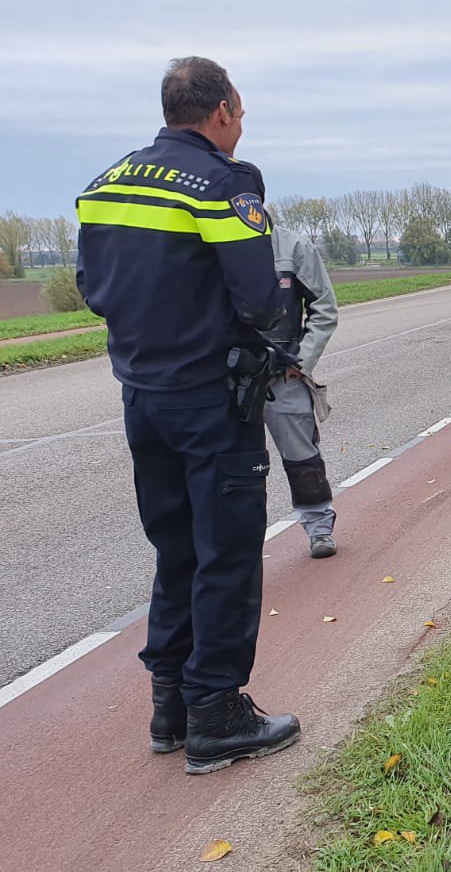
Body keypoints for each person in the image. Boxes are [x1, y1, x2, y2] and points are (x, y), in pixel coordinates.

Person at [75, 56, 301, 775]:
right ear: (224, 109)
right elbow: (262, 298)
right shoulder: (223, 183)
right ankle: (216, 715)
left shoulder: (104, 184)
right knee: (227, 551)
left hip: (142, 399)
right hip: (212, 399)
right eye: (243, 109)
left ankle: (168, 706)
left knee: (175, 551)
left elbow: (92, 287)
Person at [264, 224, 339, 558]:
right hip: (227, 376)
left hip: (283, 373)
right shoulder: (210, 243)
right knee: (231, 466)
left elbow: (324, 308)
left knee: (302, 457)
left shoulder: (293, 247)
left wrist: (301, 363)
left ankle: (320, 529)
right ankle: (233, 543)